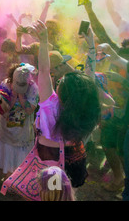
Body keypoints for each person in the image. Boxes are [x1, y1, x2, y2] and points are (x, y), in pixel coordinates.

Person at [29, 20, 101, 188]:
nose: (59, 80)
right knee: (69, 193)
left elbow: (45, 70)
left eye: (61, 82)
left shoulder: (51, 107)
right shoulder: (84, 109)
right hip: (75, 163)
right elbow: (88, 82)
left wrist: (44, 41)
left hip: (51, 165)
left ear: (63, 92)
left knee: (52, 196)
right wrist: (91, 46)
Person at [96, 43, 129, 200]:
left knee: (124, 153)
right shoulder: (119, 62)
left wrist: (123, 82)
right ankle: (119, 179)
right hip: (113, 113)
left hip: (125, 119)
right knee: (108, 145)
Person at [0, 63, 39, 175]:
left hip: (22, 133)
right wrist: (13, 97)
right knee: (8, 159)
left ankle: (19, 182)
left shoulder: (33, 88)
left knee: (21, 163)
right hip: (7, 131)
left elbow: (29, 110)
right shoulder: (5, 84)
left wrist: (21, 96)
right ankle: (9, 180)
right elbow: (3, 109)